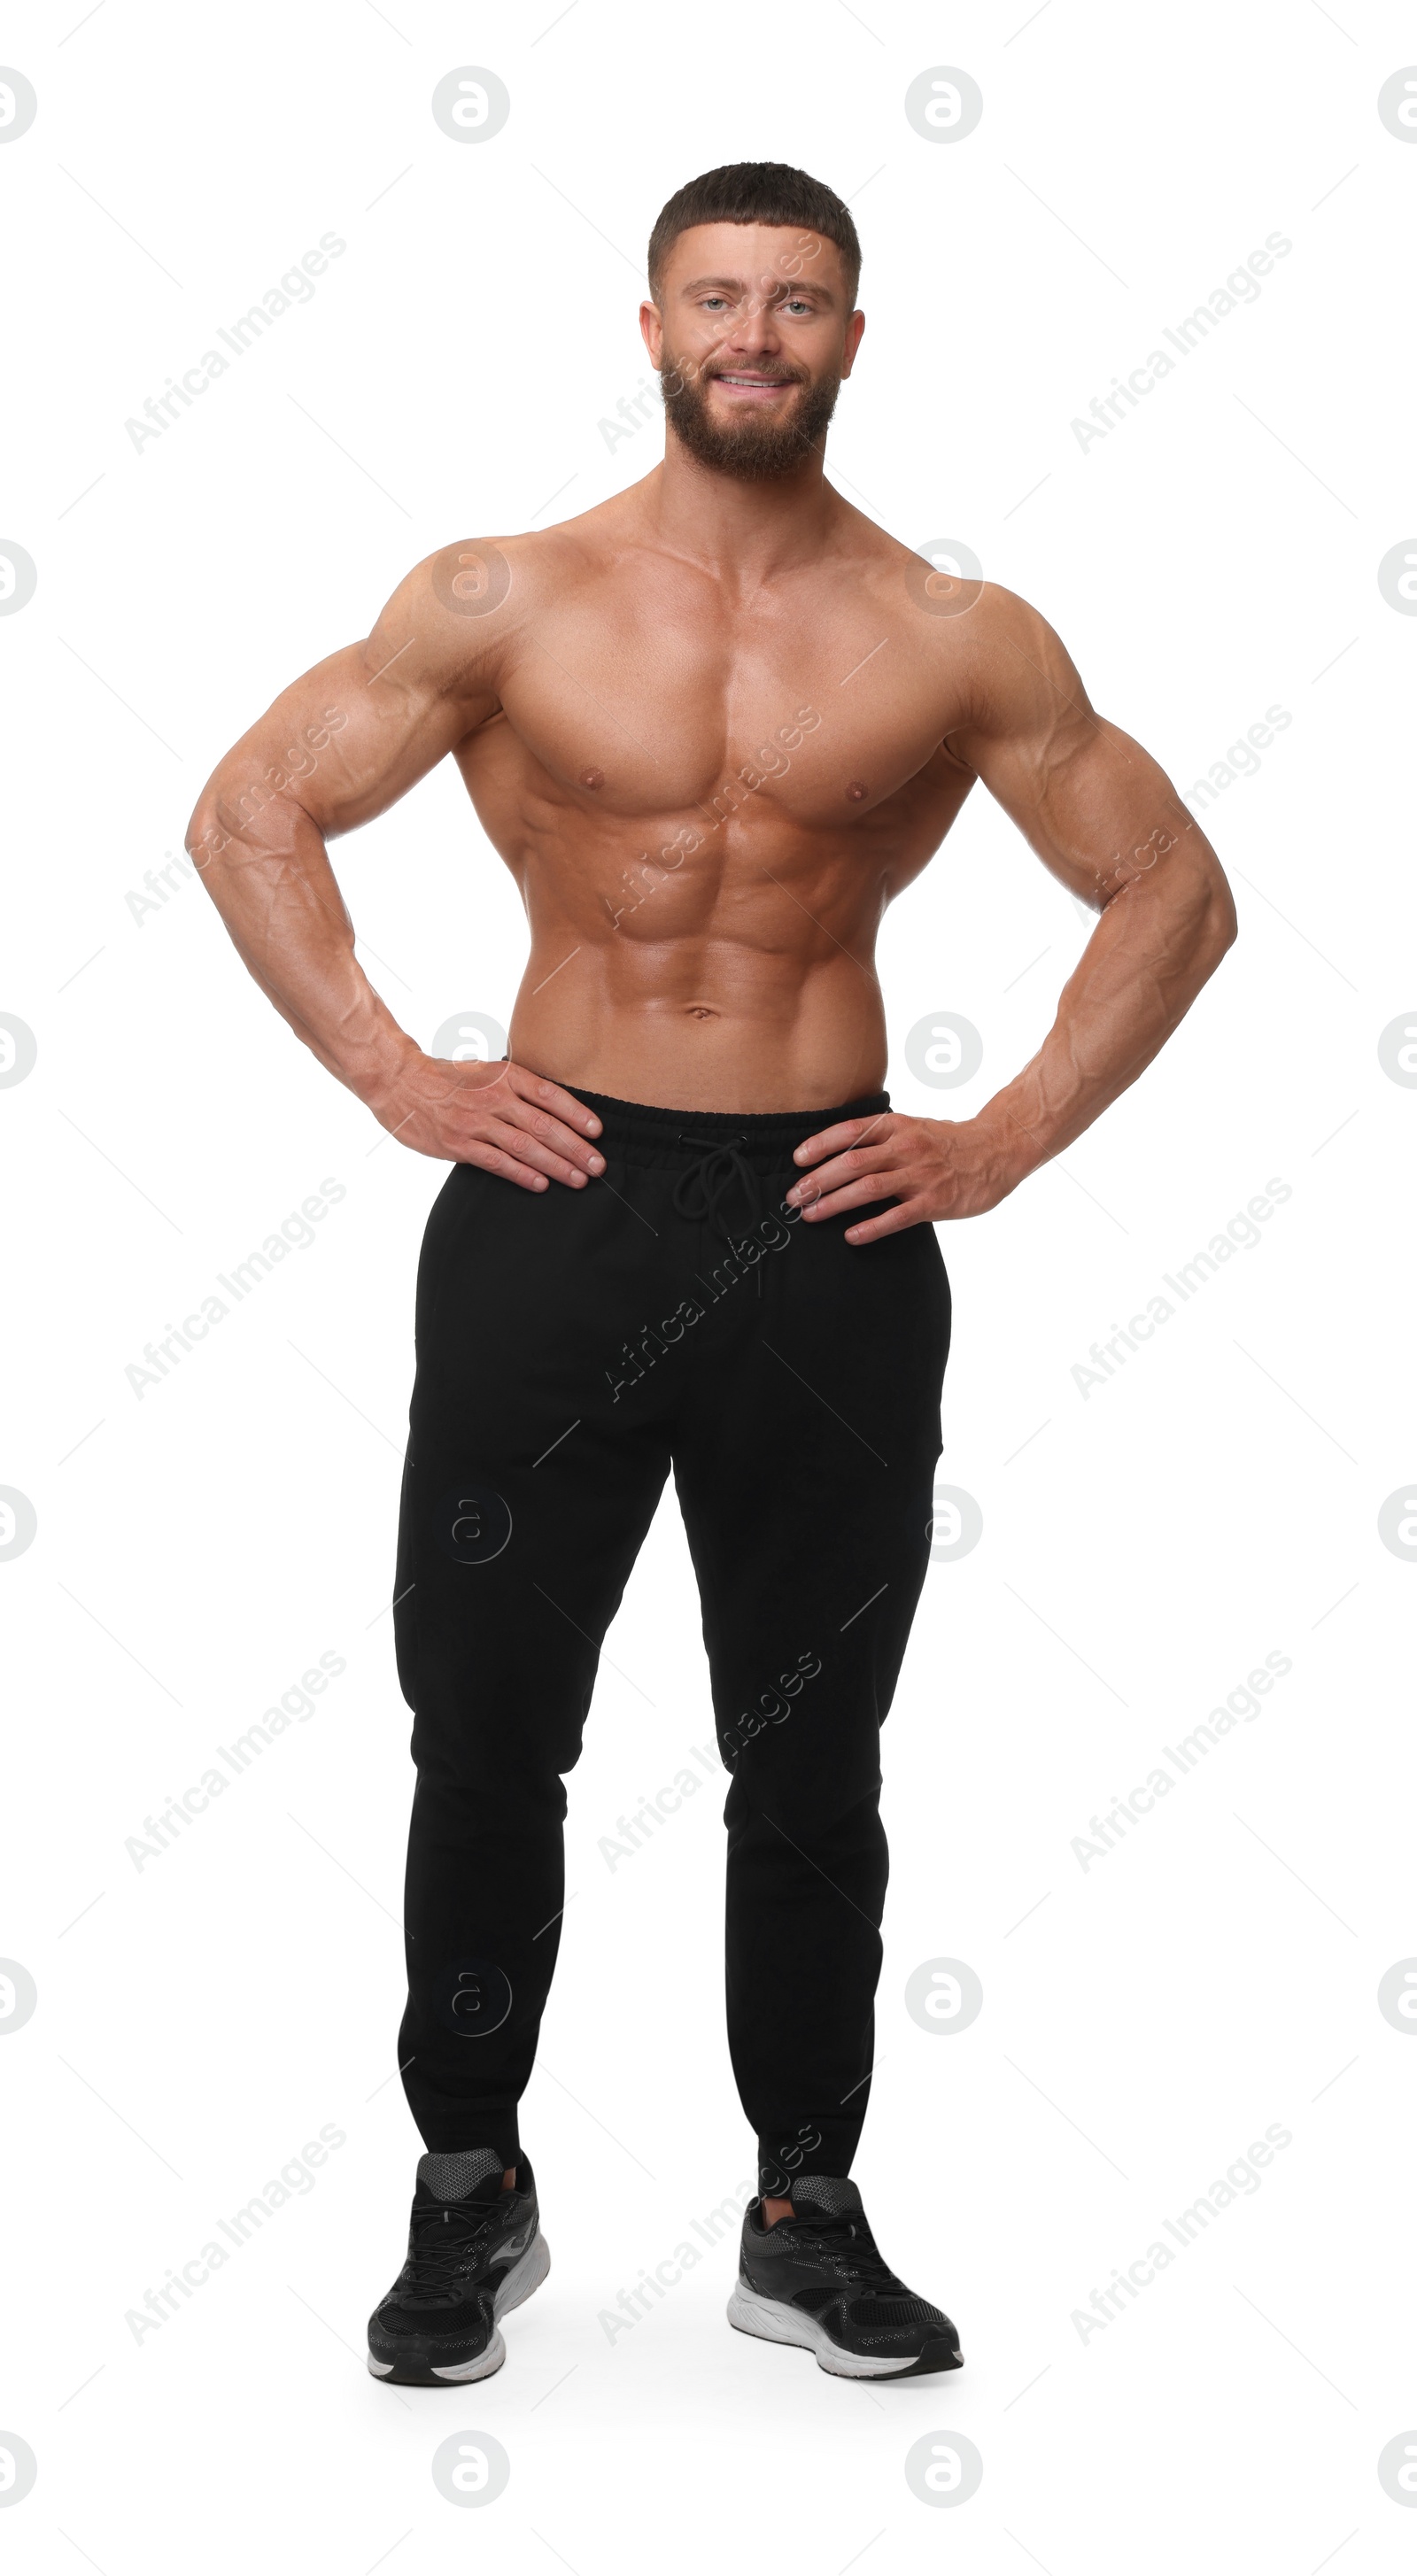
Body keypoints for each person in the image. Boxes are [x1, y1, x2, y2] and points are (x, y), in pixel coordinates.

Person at [187, 160, 1235, 2386]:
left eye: (798, 302)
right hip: (548, 1212)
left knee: (813, 1753)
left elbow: (1167, 888)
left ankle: (803, 2205)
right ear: (649, 326)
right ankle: (467, 2185)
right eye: (716, 298)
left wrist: (1010, 1131)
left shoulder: (962, 636)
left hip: (825, 1230)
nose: (753, 334)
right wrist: (393, 1073)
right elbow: (252, 808)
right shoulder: (501, 594)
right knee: (483, 1735)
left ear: (853, 337)